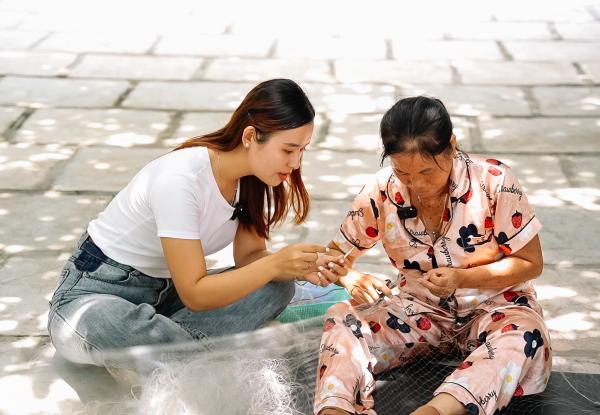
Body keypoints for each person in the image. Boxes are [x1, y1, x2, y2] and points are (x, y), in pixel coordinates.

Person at [48, 79, 346, 368]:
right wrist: (275, 264)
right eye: (288, 149)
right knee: (112, 325)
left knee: (278, 286)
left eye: (302, 150)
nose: (295, 163)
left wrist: (303, 266)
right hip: (96, 292)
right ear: (250, 136)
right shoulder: (181, 180)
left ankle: (174, 355)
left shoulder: (254, 179)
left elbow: (250, 257)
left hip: (167, 295)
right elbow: (196, 293)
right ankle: (187, 353)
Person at [314, 96, 551, 415]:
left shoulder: (495, 182)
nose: (416, 185)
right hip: (417, 310)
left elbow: (530, 263)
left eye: (427, 172)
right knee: (342, 316)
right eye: (403, 173)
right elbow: (334, 257)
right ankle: (336, 410)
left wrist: (462, 278)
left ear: (451, 146)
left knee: (525, 335)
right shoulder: (382, 191)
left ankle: (436, 411)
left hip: (495, 306)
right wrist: (349, 276)